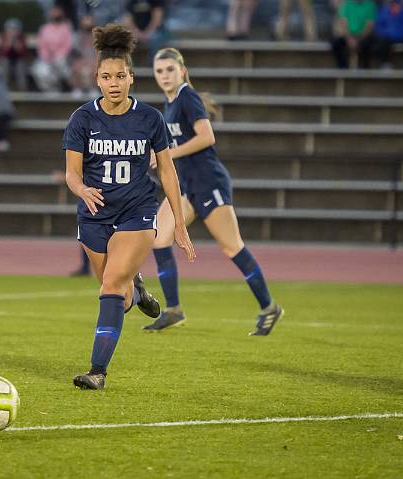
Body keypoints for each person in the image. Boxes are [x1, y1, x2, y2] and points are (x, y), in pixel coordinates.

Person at [63, 24, 195, 390]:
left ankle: (97, 371)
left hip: (136, 212)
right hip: (94, 216)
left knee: (109, 285)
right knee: (118, 298)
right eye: (106, 77)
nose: (114, 83)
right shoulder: (82, 119)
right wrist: (82, 190)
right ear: (97, 79)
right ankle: (137, 291)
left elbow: (166, 169)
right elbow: (71, 175)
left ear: (131, 79)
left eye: (120, 76)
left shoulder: (150, 119)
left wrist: (179, 223)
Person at [145, 47, 284, 336]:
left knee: (232, 247)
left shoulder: (187, 97)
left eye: (170, 69)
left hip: (209, 183)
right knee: (159, 238)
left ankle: (269, 307)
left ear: (182, 70)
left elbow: (207, 137)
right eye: (159, 71)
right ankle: (173, 310)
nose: (165, 75)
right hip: (187, 187)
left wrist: (168, 155)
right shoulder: (169, 102)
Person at [31, 5, 74, 93]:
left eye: (57, 12)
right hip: (46, 57)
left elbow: (67, 45)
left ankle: (61, 87)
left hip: (62, 57)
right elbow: (41, 45)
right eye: (53, 13)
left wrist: (57, 55)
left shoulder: (66, 28)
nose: (55, 15)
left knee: (60, 64)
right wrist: (47, 56)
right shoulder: (44, 28)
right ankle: (49, 89)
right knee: (39, 70)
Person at [373, 0, 403, 69]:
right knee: (381, 42)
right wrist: (388, 32)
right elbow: (378, 25)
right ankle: (386, 63)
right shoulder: (384, 9)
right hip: (389, 36)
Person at [330, 0, 378, 68]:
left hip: (364, 36)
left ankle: (365, 68)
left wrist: (359, 39)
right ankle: (342, 67)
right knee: (336, 43)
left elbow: (370, 25)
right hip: (348, 35)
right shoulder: (346, 4)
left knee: (367, 44)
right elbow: (343, 23)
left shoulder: (370, 5)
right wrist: (349, 38)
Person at [69, 13, 97, 99]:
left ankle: (93, 89)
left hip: (93, 62)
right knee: (77, 67)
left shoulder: (99, 37)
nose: (87, 23)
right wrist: (81, 62)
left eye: (89, 20)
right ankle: (77, 88)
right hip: (79, 62)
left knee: (95, 68)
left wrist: (93, 63)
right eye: (85, 21)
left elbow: (100, 54)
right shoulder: (76, 36)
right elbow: (74, 53)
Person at [0, 18, 29, 91]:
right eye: (10, 29)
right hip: (6, 58)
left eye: (15, 29)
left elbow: (20, 50)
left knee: (21, 70)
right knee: (5, 68)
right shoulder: (3, 36)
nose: (12, 31)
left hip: (19, 58)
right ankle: (3, 90)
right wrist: (10, 39)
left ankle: (22, 90)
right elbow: (5, 50)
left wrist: (15, 40)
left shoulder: (22, 37)